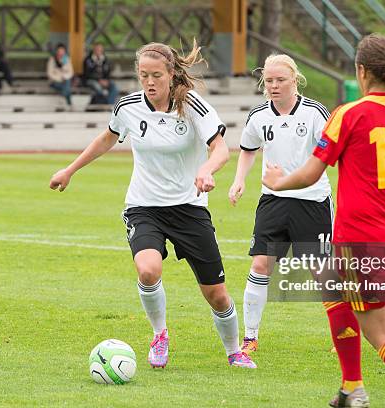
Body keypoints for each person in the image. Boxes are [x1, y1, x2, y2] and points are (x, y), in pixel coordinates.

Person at [263, 33, 385, 408]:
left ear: (361, 71)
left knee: (383, 334)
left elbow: (310, 173)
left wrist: (278, 181)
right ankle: (352, 387)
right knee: (329, 283)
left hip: (359, 239)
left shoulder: (348, 114)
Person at [49, 40, 257, 369]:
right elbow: (107, 138)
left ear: (171, 74)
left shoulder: (193, 107)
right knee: (147, 270)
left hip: (189, 208)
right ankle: (160, 335)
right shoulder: (128, 107)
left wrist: (205, 169)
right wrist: (70, 169)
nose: (149, 82)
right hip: (144, 206)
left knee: (216, 294)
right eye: (143, 75)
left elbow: (221, 149)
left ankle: (234, 352)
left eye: (156, 75)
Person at [228, 54, 333, 355]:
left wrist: (299, 178)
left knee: (321, 271)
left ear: (294, 79)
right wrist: (240, 180)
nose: (273, 86)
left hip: (312, 202)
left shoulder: (314, 113)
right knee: (261, 264)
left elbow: (326, 155)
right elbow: (248, 149)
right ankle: (250, 337)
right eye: (269, 81)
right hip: (273, 201)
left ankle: (342, 335)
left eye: (280, 80)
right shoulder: (259, 116)